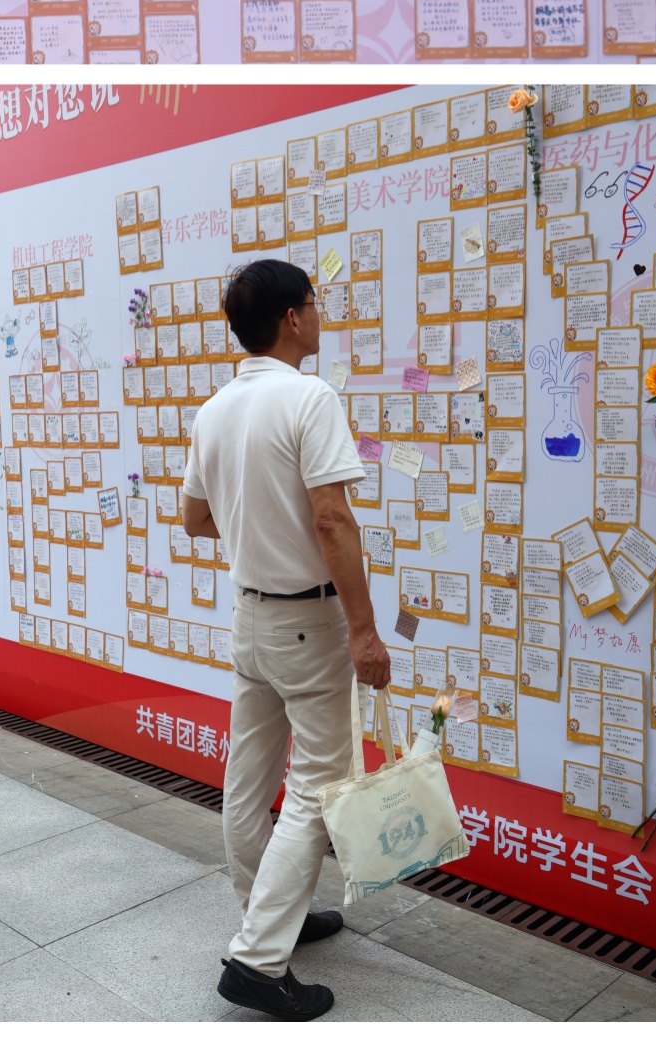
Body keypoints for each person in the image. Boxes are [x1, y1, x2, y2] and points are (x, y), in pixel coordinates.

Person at [181, 259, 389, 1021]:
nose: (320, 314)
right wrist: (364, 631)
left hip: (250, 617)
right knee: (319, 783)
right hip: (309, 622)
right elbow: (332, 519)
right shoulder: (309, 397)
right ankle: (259, 957)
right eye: (315, 303)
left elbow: (195, 519)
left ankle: (272, 914)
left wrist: (255, 526)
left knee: (248, 778)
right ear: (293, 319)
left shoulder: (214, 409)